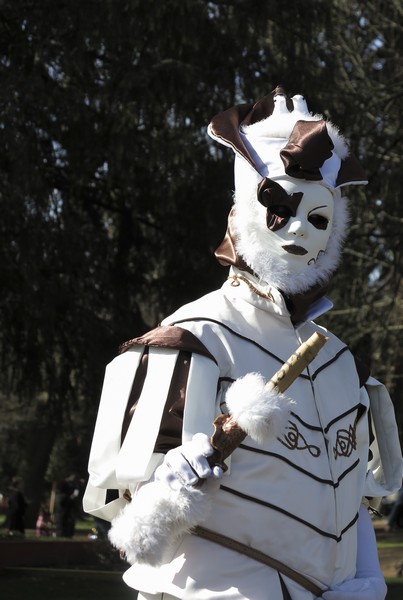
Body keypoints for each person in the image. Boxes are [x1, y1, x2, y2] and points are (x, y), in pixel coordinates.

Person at [84, 87, 403, 600]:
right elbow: (138, 535)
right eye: (279, 205)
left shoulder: (342, 363)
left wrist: (366, 581)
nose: (298, 227)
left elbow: (352, 508)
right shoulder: (194, 337)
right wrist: (173, 483)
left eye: (318, 217)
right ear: (242, 210)